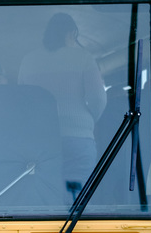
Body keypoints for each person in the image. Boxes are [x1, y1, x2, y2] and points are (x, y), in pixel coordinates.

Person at [19, 12, 107, 200]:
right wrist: (89, 120)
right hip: (78, 138)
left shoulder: (28, 60)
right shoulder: (83, 57)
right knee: (78, 193)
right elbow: (98, 98)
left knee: (45, 190)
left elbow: (22, 101)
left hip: (41, 140)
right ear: (72, 33)